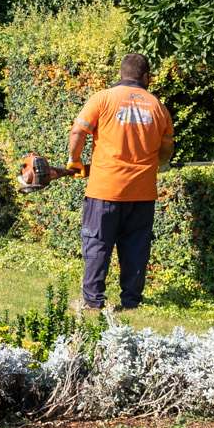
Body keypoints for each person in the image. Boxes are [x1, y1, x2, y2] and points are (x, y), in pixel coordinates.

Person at [67, 52, 173, 312]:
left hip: (105, 190)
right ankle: (131, 302)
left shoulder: (103, 99)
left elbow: (79, 130)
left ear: (121, 74)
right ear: (146, 77)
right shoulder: (157, 106)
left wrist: (74, 160)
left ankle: (93, 301)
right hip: (142, 193)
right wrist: (156, 164)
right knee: (136, 247)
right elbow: (167, 148)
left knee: (97, 243)